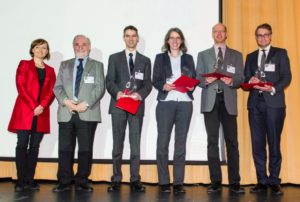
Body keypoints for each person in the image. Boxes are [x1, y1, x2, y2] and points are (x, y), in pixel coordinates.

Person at [196, 23, 244, 193]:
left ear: (226, 34)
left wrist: (232, 81)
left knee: (232, 143)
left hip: (228, 101)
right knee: (212, 142)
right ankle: (215, 181)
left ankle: (234, 182)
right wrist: (205, 81)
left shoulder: (236, 55)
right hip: (210, 101)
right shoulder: (203, 55)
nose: (218, 34)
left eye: (221, 31)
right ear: (212, 34)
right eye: (216, 31)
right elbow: (197, 77)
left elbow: (241, 78)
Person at [53, 35, 105, 192]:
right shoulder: (64, 65)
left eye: (84, 44)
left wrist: (85, 104)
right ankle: (64, 181)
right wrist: (66, 102)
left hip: (87, 112)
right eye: (77, 44)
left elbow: (99, 88)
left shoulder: (97, 65)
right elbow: (58, 87)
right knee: (65, 149)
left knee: (85, 149)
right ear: (73, 47)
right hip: (67, 111)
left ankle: (82, 181)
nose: (80, 47)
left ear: (89, 47)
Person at [244, 23, 291, 195]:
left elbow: (287, 77)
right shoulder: (250, 56)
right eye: (259, 35)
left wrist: (272, 89)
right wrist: (249, 81)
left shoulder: (280, 53)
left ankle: (274, 181)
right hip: (255, 105)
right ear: (255, 37)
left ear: (271, 36)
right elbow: (245, 79)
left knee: (274, 143)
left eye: (265, 34)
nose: (262, 37)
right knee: (257, 144)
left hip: (274, 104)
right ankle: (261, 180)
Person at [106, 25, 152, 192]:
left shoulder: (145, 60)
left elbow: (148, 84)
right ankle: (116, 179)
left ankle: (135, 180)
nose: (131, 39)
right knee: (117, 144)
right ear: (123, 38)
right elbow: (109, 81)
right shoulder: (114, 58)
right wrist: (117, 92)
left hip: (136, 106)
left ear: (137, 38)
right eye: (127, 36)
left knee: (135, 145)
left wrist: (139, 95)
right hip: (118, 106)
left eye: (133, 36)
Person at [8, 39, 56, 192]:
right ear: (32, 50)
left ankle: (30, 179)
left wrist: (41, 106)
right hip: (25, 111)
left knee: (34, 147)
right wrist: (34, 106)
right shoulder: (24, 64)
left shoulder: (50, 70)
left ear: (47, 51)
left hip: (41, 113)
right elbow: (21, 86)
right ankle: (21, 180)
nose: (41, 50)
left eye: (44, 48)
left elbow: (51, 91)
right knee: (22, 145)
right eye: (38, 47)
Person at [152, 27, 196, 193]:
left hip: (184, 103)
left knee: (180, 144)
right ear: (167, 41)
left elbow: (193, 78)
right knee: (162, 143)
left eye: (178, 38)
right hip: (166, 103)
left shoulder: (189, 58)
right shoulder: (160, 58)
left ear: (182, 41)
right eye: (172, 38)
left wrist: (191, 85)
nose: (175, 41)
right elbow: (155, 80)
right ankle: (164, 181)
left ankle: (178, 182)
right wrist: (163, 85)